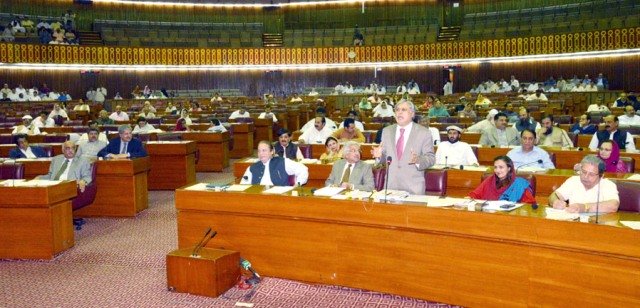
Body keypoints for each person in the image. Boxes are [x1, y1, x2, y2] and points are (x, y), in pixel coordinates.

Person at [371, 100, 435, 195]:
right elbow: (386, 157)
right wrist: (379, 156)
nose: (399, 112)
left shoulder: (424, 132)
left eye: (403, 109)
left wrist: (418, 160)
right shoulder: (387, 131)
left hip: (413, 188)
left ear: (412, 113)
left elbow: (431, 158)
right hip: (390, 187)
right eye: (397, 110)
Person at [549, 155, 619, 213]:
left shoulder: (608, 185)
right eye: (584, 172)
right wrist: (555, 201)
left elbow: (614, 206)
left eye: (591, 174)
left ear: (601, 176)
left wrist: (584, 207)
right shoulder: (573, 180)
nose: (586, 177)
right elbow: (554, 195)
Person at [468, 155, 536, 203]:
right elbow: (475, 195)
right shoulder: (489, 180)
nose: (497, 170)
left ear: (509, 168)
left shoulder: (519, 184)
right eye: (495, 167)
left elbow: (529, 204)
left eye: (501, 167)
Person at [240, 141, 308, 186]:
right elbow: (243, 185)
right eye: (259, 151)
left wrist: (298, 184)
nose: (261, 153)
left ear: (272, 151)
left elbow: (303, 169)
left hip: (279, 199)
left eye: (264, 150)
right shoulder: (252, 168)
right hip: (258, 199)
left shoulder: (282, 162)